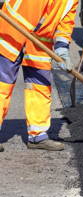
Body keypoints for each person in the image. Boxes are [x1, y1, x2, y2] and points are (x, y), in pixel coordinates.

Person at [0, 0, 77, 152]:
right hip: (11, 35)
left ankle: (38, 136)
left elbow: (65, 25)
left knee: (40, 88)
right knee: (2, 86)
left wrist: (62, 49)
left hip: (39, 46)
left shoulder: (71, 1)